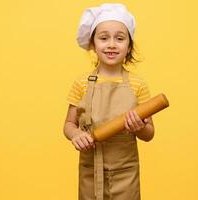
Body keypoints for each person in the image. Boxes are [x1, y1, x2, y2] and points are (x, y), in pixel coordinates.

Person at [63, 3, 155, 200]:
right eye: (104, 38)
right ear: (93, 45)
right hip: (91, 170)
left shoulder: (138, 84)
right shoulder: (81, 83)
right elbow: (69, 124)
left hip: (126, 173)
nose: (111, 44)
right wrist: (76, 134)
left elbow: (149, 134)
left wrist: (139, 128)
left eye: (120, 38)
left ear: (129, 46)